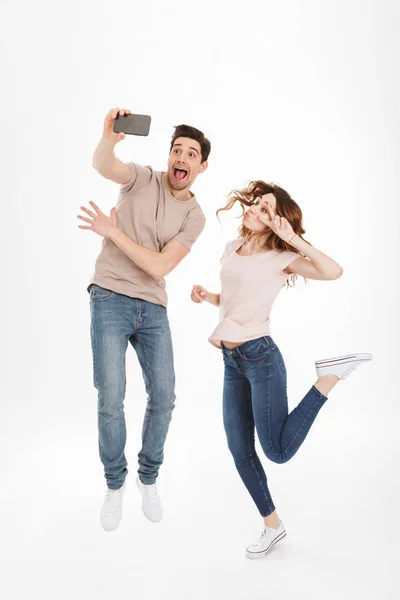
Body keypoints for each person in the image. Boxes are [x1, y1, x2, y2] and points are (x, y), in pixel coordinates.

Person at [191, 180, 372, 559]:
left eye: (265, 208)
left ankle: (327, 379)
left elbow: (333, 271)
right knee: (240, 450)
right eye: (256, 203)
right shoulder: (231, 249)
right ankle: (273, 526)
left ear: (276, 222)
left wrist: (293, 238)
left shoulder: (280, 257)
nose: (254, 208)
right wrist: (210, 297)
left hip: (261, 358)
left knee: (276, 451)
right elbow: (237, 301)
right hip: (231, 361)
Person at [78, 108, 210, 531]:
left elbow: (158, 268)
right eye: (177, 150)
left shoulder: (195, 216)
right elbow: (104, 166)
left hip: (152, 306)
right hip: (110, 295)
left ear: (201, 166)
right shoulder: (141, 177)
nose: (182, 158)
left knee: (165, 396)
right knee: (111, 396)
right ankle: (115, 484)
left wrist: (114, 233)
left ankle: (147, 477)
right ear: (168, 156)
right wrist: (108, 138)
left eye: (191, 153)